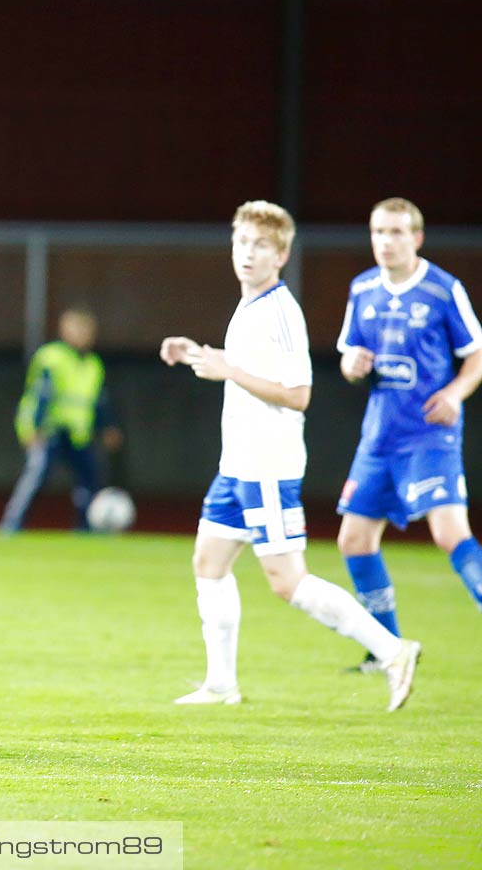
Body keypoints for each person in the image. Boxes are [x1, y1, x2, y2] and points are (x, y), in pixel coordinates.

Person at [160, 200, 419, 711]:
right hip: (235, 463)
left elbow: (298, 393)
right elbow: (244, 367)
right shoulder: (250, 304)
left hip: (267, 464)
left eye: (260, 245)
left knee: (286, 581)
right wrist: (196, 354)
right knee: (208, 562)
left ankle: (393, 650)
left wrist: (228, 370)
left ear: (281, 255)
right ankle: (221, 685)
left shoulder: (281, 310)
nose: (248, 254)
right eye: (242, 243)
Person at [334, 197, 482, 673]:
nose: (386, 241)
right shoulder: (362, 289)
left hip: (429, 436)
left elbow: (476, 355)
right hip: (378, 438)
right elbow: (348, 357)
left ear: (416, 238)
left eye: (397, 232)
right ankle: (387, 649)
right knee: (354, 540)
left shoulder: (443, 290)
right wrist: (351, 366)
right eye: (378, 232)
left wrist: (457, 392)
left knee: (448, 532)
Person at [0, 305, 124, 533]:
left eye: (87, 330)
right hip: (49, 429)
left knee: (90, 480)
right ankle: (12, 525)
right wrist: (33, 427)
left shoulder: (93, 364)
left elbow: (98, 400)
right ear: (65, 330)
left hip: (77, 432)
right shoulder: (51, 357)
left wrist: (107, 426)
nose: (83, 335)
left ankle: (85, 528)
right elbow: (41, 394)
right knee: (36, 477)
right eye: (78, 329)